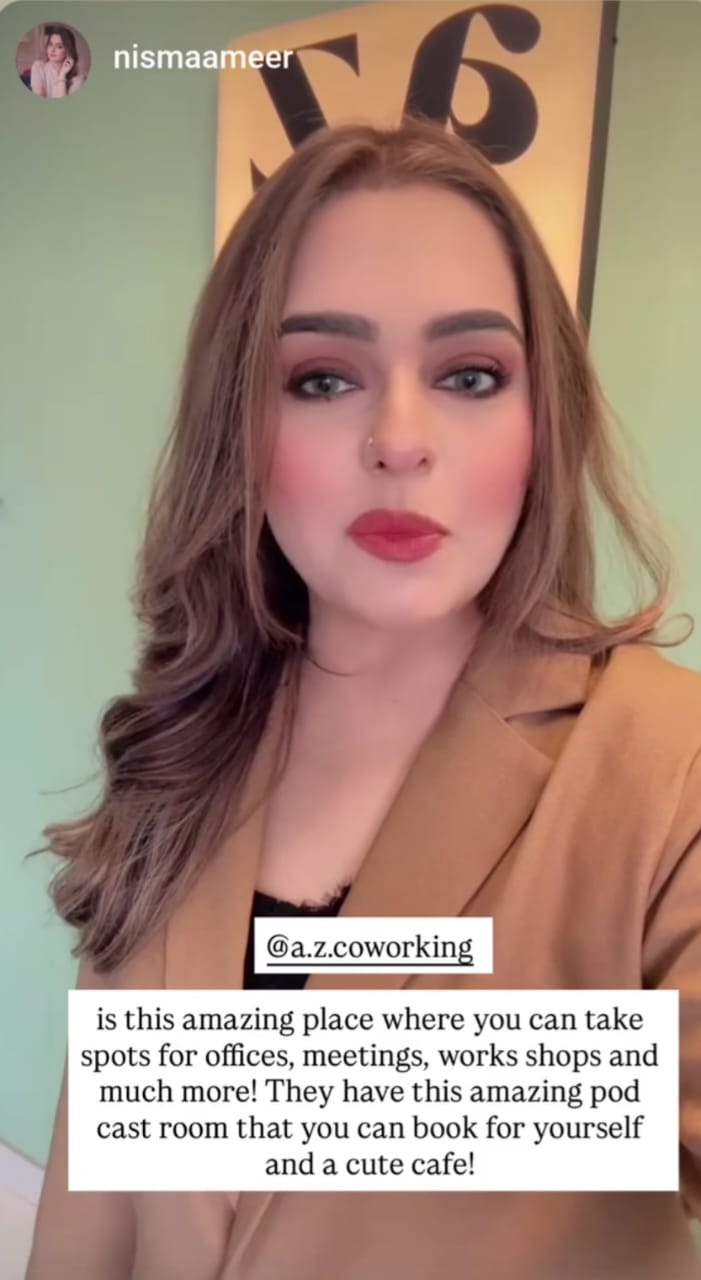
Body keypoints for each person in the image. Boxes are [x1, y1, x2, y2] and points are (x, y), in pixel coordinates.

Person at [26, 116, 701, 1279]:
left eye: (469, 375)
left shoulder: (667, 758)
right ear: (239, 428)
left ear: (542, 422)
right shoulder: (183, 744)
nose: (397, 439)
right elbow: (98, 1191)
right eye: (322, 378)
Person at [30, 25, 85, 99]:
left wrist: (62, 76)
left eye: (59, 46)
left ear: (68, 51)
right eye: (50, 44)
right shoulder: (38, 67)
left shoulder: (78, 78)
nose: (52, 50)